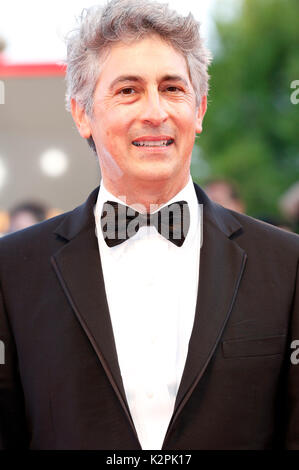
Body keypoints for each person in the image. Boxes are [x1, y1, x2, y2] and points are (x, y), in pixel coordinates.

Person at [0, 0, 298, 450]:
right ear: (82, 113)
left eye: (172, 88)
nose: (155, 111)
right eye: (128, 90)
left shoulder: (286, 263)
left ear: (198, 110)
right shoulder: (11, 269)